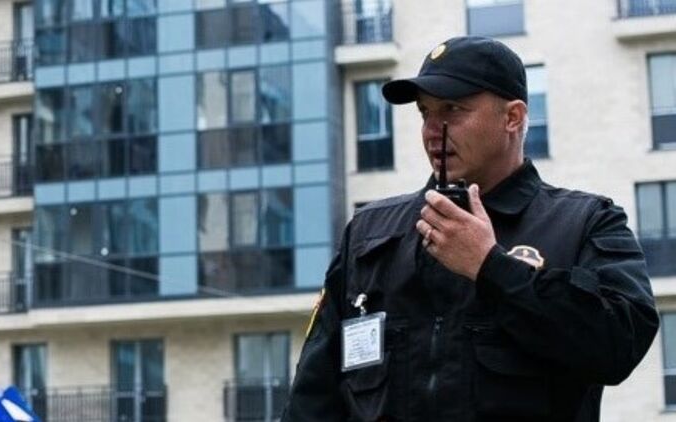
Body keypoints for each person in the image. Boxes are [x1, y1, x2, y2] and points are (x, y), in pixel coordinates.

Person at [281, 36, 659, 422]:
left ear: (513, 118)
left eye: (452, 109)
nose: (432, 130)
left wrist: (491, 267)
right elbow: (312, 401)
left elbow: (619, 346)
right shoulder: (370, 234)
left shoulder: (583, 222)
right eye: (425, 112)